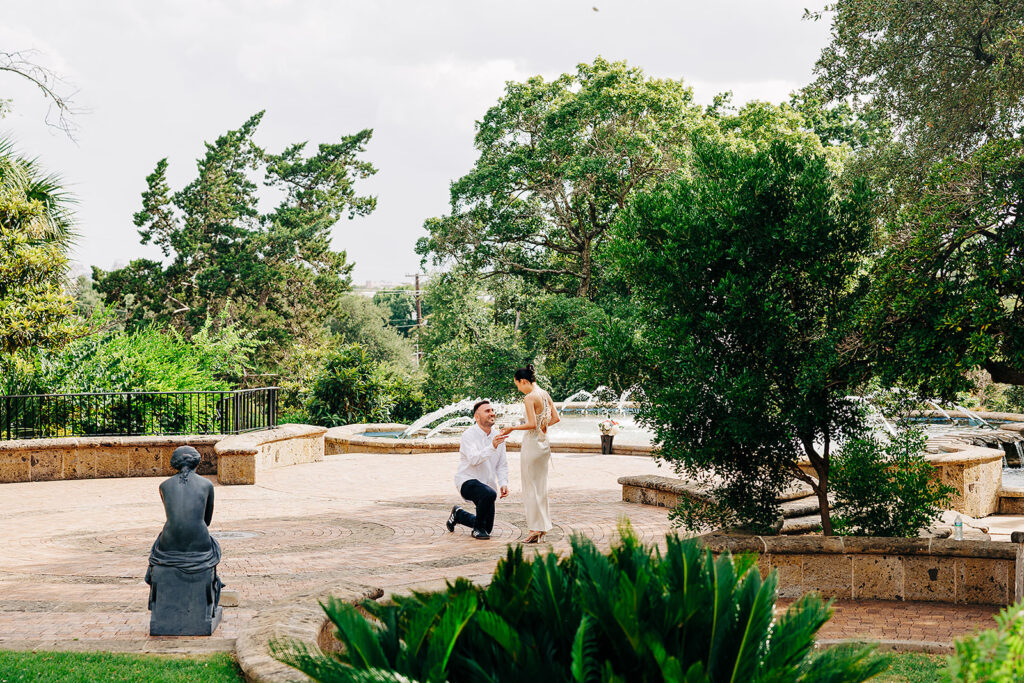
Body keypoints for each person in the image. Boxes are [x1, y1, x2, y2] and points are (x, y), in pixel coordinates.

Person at [500, 364, 560, 543]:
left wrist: (512, 427)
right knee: (540, 487)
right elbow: (556, 418)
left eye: (518, 384)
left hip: (532, 444)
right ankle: (541, 528)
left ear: (524, 381)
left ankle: (535, 529)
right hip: (543, 445)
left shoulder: (530, 397)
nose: (518, 388)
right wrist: (544, 425)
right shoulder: (544, 393)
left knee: (530, 488)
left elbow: (532, 424)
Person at [446, 399, 509, 540]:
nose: (492, 413)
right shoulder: (469, 435)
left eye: (492, 410)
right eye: (487, 411)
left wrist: (503, 482)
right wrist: (492, 446)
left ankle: (458, 514)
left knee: (487, 528)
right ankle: (476, 530)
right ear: (477, 416)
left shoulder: (498, 437)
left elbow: (502, 464)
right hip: (467, 481)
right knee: (488, 494)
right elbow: (474, 459)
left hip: (487, 487)